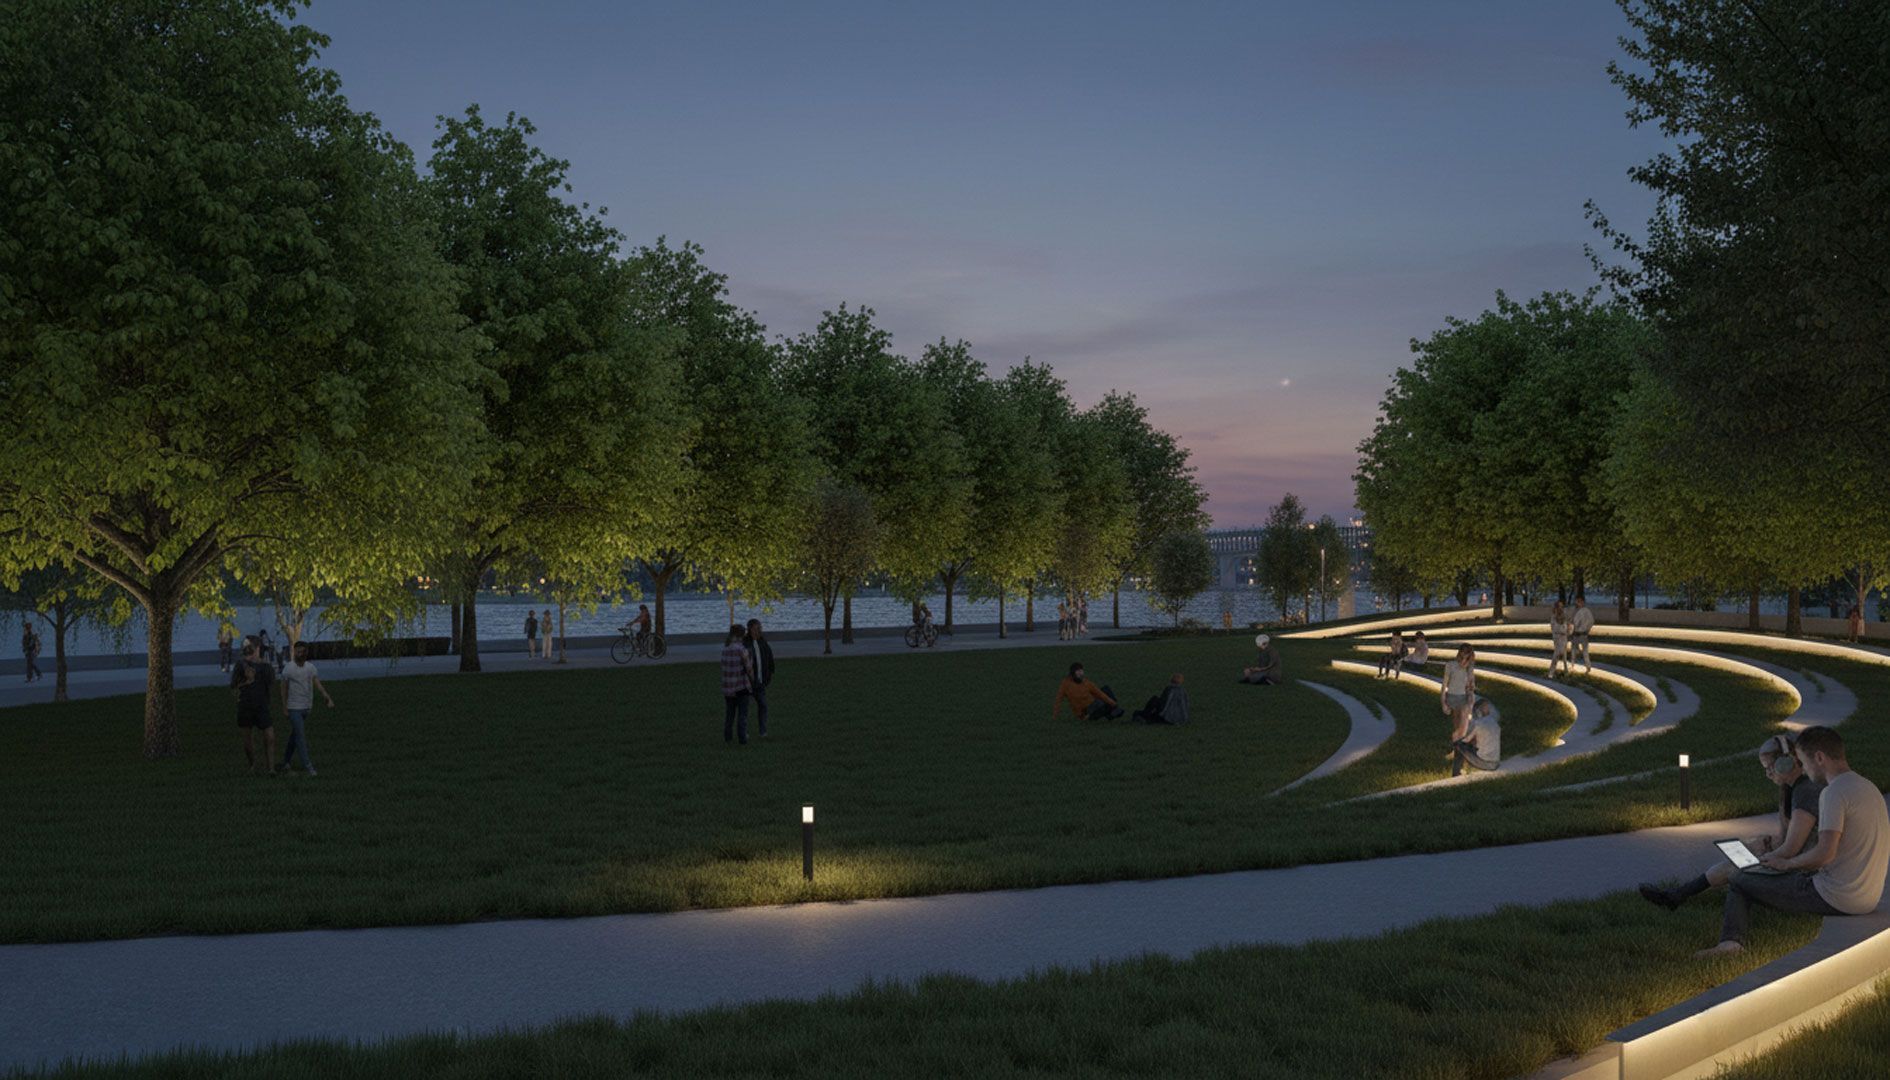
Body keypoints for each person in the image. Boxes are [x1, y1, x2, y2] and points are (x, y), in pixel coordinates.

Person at [1698, 726, 1890, 957]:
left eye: (1804, 762)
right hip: (1868, 897)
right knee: (1767, 876)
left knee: (1740, 879)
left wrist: (1787, 864)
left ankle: (1730, 945)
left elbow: (1825, 854)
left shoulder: (1833, 793)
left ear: (1819, 758)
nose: (1803, 769)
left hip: (1837, 897)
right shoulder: (1867, 787)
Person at [1639, 735, 1823, 911]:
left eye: (1770, 767)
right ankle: (1677, 895)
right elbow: (1797, 837)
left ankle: (1676, 896)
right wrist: (1768, 843)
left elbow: (1791, 849)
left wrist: (1763, 860)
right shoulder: (1793, 788)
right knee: (1745, 853)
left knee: (1737, 867)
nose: (1768, 774)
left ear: (1786, 763)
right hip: (1799, 861)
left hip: (1807, 874)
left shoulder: (1805, 793)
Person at [278, 641, 333, 776]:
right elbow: (283, 688)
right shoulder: (289, 668)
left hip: (306, 707)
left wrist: (326, 696)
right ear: (294, 652)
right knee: (300, 736)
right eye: (298, 651)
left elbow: (317, 683)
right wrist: (284, 706)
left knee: (295, 735)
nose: (300, 654)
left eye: (303, 651)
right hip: (294, 707)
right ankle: (308, 767)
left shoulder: (310, 668)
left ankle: (285, 762)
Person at [230, 638, 277, 774]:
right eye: (245, 647)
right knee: (247, 739)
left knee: (270, 736)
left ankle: (271, 768)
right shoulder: (240, 665)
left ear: (257, 648)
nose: (247, 649)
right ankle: (253, 766)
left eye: (249, 646)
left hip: (261, 705)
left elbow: (270, 686)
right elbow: (233, 686)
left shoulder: (266, 667)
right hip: (245, 705)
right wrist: (247, 682)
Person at [1052, 661, 1121, 720]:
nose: (1081, 673)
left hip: (1093, 704)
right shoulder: (1066, 684)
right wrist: (1055, 713)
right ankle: (1108, 712)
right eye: (1078, 671)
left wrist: (1113, 703)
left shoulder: (1086, 682)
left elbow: (1099, 693)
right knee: (1101, 704)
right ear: (1073, 674)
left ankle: (1112, 711)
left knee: (1105, 689)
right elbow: (1059, 698)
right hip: (1084, 711)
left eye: (1081, 671)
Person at [720, 623, 754, 745]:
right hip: (741, 686)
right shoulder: (741, 649)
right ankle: (742, 737)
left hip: (728, 687)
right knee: (742, 715)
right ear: (742, 635)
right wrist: (753, 681)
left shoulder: (725, 649)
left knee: (730, 714)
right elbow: (749, 669)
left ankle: (728, 737)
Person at [1450, 698, 1500, 776]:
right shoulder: (1494, 722)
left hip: (1485, 763)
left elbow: (1466, 740)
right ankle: (1464, 769)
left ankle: (1456, 773)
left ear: (1478, 712)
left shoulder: (1478, 724)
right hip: (1496, 762)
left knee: (1458, 745)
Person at [744, 619, 775, 738]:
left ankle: (763, 731)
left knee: (763, 705)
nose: (759, 630)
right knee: (745, 708)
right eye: (756, 628)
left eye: (760, 628)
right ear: (750, 629)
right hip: (748, 683)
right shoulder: (745, 643)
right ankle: (744, 731)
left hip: (761, 681)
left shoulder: (763, 642)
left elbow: (769, 657)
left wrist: (770, 673)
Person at [1441, 644, 1476, 732]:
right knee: (1458, 721)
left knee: (1463, 722)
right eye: (1463, 652)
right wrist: (1443, 703)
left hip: (1465, 697)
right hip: (1452, 696)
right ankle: (1459, 738)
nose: (1464, 655)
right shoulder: (1450, 665)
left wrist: (1471, 699)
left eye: (1467, 653)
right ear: (1459, 653)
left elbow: (1471, 687)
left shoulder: (1470, 667)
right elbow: (1444, 685)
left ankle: (1461, 737)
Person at [1569, 595, 1596, 674]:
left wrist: (1586, 629)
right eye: (1577, 602)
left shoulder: (1585, 611)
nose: (1577, 603)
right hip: (1578, 634)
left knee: (1583, 651)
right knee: (1575, 650)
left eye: (1579, 602)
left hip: (1581, 634)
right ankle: (1573, 665)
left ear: (1582, 602)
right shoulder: (1577, 611)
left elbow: (1590, 621)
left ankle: (1587, 666)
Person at [1549, 599, 1571, 680]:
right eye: (1559, 606)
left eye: (1562, 606)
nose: (1561, 608)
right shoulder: (1553, 617)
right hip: (1557, 638)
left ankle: (1565, 671)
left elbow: (1568, 628)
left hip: (1564, 638)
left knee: (1564, 655)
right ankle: (1551, 672)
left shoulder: (1565, 617)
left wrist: (1567, 630)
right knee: (1557, 654)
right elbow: (1554, 629)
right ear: (1556, 607)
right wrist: (1563, 629)